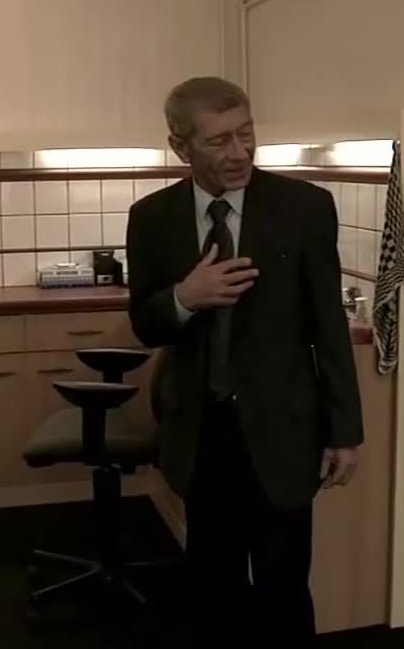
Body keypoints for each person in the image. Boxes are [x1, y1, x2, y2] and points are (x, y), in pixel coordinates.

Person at [126, 76, 364, 647]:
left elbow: (328, 326)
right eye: (218, 141)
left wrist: (345, 431)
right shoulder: (151, 217)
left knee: (285, 588)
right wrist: (185, 297)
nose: (239, 153)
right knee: (213, 588)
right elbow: (145, 323)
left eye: (246, 134)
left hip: (284, 432)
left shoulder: (305, 208)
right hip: (201, 434)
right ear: (180, 147)